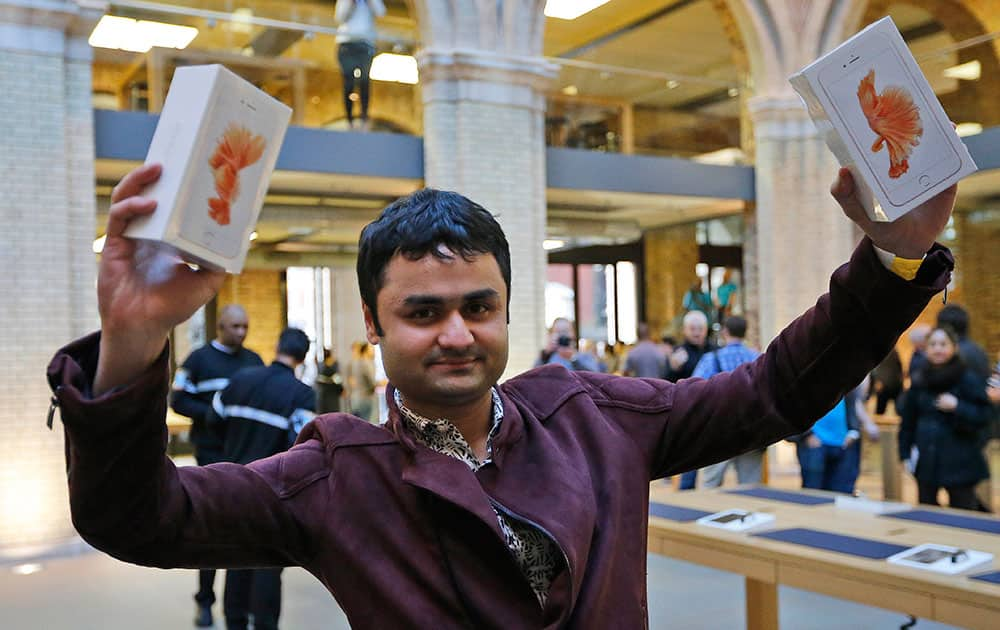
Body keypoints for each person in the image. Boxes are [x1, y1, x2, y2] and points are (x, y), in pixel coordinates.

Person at [48, 162, 955, 628]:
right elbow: (140, 516)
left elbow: (773, 394)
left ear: (509, 309)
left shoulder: (595, 418)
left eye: (479, 306)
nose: (455, 334)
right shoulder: (333, 479)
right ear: (374, 322)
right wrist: (133, 341)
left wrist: (892, 262)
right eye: (422, 312)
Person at [211, 327, 316, 630]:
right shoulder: (301, 394)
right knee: (269, 565)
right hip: (272, 495)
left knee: (236, 560)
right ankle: (266, 625)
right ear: (303, 357)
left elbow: (213, 421)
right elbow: (300, 447)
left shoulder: (241, 379)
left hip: (231, 486)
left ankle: (235, 622)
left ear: (277, 346)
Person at [169, 303, 263, 627]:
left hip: (246, 457)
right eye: (235, 327)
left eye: (245, 327)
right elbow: (178, 399)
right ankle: (205, 600)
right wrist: (211, 413)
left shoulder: (253, 362)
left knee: (244, 532)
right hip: (210, 455)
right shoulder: (198, 360)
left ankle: (240, 606)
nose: (241, 333)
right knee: (210, 529)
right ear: (220, 327)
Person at [898, 327, 992, 511]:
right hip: (926, 459)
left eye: (943, 344)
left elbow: (984, 415)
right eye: (933, 344)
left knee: (964, 514)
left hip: (960, 460)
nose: (938, 349)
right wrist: (905, 454)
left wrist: (958, 406)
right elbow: (908, 422)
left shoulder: (968, 378)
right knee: (927, 513)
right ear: (926, 349)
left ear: (954, 347)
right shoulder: (919, 380)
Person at [691, 316, 762, 488]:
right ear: (745, 332)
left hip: (718, 431)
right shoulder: (757, 358)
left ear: (725, 332)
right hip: (751, 430)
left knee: (709, 486)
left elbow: (694, 391)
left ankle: (710, 514)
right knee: (750, 487)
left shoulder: (711, 359)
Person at [666, 310, 716, 490]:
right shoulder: (678, 352)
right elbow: (666, 385)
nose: (696, 332)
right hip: (690, 415)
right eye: (692, 328)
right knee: (689, 465)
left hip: (713, 414)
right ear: (685, 330)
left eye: (700, 328)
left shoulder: (715, 351)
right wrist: (673, 368)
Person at [334, 0, 386, 129]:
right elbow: (339, 17)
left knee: (364, 82)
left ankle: (364, 118)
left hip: (365, 44)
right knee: (348, 83)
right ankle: (349, 120)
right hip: (347, 43)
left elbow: (381, 12)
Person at [345, 340, 375, 421]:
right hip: (362, 398)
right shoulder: (363, 363)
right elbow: (372, 382)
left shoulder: (357, 363)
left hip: (356, 398)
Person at [869, 348, 903, 414]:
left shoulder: (890, 351)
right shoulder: (893, 351)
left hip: (886, 384)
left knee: (881, 410)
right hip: (888, 384)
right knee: (881, 409)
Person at [314, 347, 344, 414]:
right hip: (328, 393)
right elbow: (338, 379)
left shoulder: (321, 365)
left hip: (326, 393)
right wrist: (341, 389)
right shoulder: (333, 364)